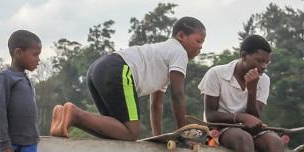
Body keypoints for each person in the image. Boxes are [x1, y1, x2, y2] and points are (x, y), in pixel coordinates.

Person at [49, 17, 206, 140]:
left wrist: (159, 136)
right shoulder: (179, 52)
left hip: (98, 69)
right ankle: (75, 114)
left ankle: (65, 116)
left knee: (116, 132)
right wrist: (182, 132)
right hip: (119, 69)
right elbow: (178, 95)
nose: (200, 47)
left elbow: (156, 105)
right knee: (131, 132)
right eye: (198, 41)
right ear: (181, 36)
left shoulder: (163, 56)